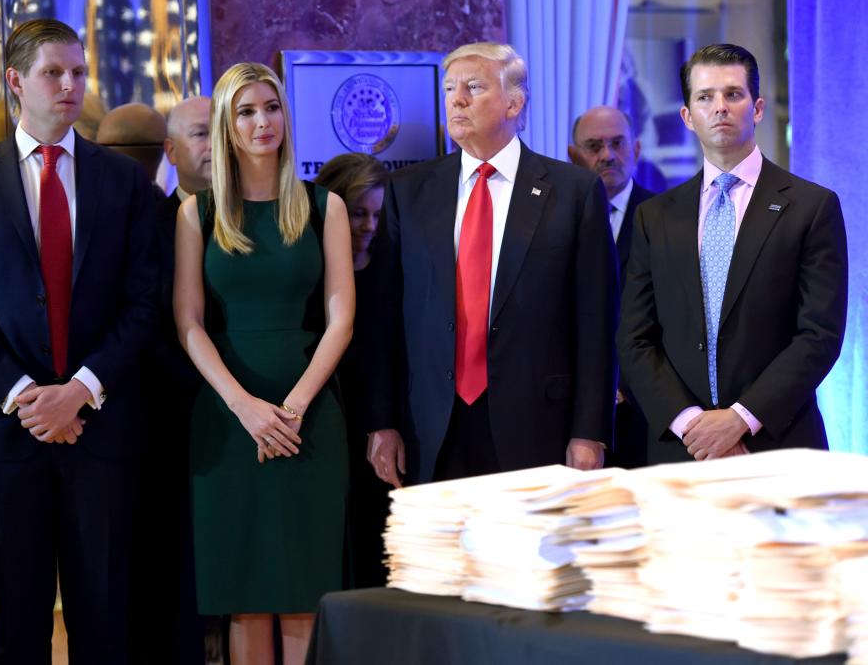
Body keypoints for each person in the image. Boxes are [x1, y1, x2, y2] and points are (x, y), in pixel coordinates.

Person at [0, 19, 158, 663]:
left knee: (105, 622)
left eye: (78, 73)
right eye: (54, 73)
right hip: (3, 435)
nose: (70, 85)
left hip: (102, 430)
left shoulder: (121, 181)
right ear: (15, 81)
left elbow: (144, 306)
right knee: (19, 627)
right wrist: (29, 395)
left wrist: (80, 391)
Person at [363, 42, 619, 487]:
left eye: (473, 87)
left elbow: (597, 322)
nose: (456, 99)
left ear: (514, 103)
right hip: (431, 426)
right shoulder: (409, 191)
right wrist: (381, 421)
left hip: (538, 426)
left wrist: (590, 431)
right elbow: (383, 318)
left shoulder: (573, 192)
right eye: (449, 88)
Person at [174, 62, 354, 665]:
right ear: (226, 124)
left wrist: (294, 407)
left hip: (309, 416)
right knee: (245, 594)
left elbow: (341, 318)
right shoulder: (197, 214)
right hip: (229, 419)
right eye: (246, 111)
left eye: (271, 107)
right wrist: (245, 407)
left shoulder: (324, 206)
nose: (261, 122)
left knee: (306, 589)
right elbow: (189, 324)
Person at [617, 43, 848, 464]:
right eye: (705, 97)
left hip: (779, 444)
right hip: (682, 448)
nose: (719, 107)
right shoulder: (655, 217)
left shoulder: (812, 207)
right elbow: (635, 338)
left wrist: (740, 419)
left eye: (733, 94)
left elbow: (820, 335)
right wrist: (692, 423)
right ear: (687, 116)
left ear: (757, 108)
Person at [128, 95, 213, 663]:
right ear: (170, 150)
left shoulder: (265, 216)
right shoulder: (147, 224)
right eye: (202, 133)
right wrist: (209, 388)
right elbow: (144, 320)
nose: (216, 146)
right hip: (173, 419)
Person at [315, 152, 389, 587]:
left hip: (380, 433)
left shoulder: (391, 271)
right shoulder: (308, 276)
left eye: (378, 215)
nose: (369, 227)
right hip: (327, 426)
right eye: (359, 213)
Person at [569, 105, 653, 468]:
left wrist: (627, 385)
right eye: (594, 146)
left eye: (618, 143)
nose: (608, 155)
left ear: (636, 150)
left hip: (646, 412)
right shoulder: (553, 221)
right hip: (571, 413)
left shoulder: (667, 218)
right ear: (573, 157)